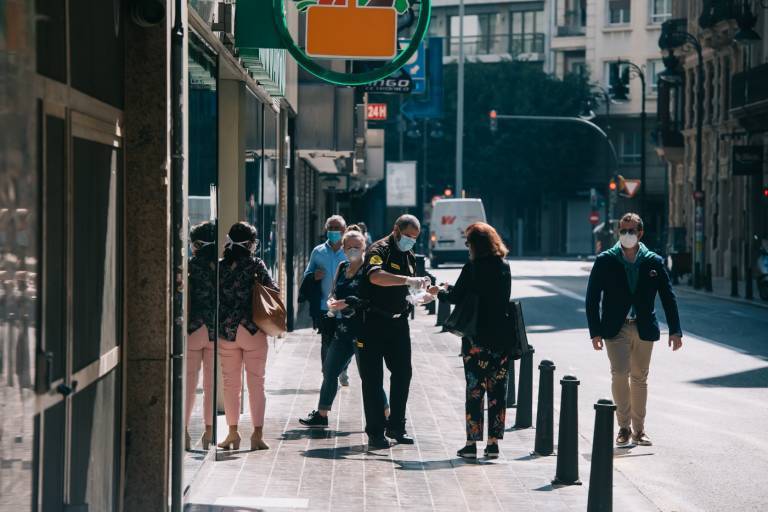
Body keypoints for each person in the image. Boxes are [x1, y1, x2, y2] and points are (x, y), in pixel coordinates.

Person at [586, 212, 683, 447]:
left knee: (639, 378)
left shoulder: (653, 261)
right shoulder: (605, 260)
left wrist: (675, 330)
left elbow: (668, 297)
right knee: (619, 373)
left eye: (631, 231)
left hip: (644, 328)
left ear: (640, 233)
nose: (626, 235)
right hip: (615, 328)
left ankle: (639, 430)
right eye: (623, 230)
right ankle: (623, 427)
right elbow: (592, 298)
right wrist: (595, 331)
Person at [430, 222, 512, 459]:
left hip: (476, 339)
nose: (467, 247)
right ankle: (493, 443)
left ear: (476, 245)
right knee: (498, 391)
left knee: (475, 391)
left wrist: (439, 291)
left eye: (468, 242)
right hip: (501, 339)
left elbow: (457, 297)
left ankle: (471, 443)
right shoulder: (504, 266)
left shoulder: (473, 267)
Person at [299, 226, 389, 427]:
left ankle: (387, 414)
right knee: (330, 370)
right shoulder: (342, 266)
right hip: (343, 330)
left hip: (364, 331)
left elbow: (369, 299)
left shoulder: (369, 270)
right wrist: (332, 300)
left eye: (357, 246)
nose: (353, 250)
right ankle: (322, 415)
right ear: (344, 247)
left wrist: (346, 303)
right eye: (349, 246)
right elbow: (333, 291)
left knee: (369, 376)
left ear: (364, 246)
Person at [358, 214, 430, 449]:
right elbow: (376, 277)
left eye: (415, 238)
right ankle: (376, 432)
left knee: (403, 374)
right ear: (396, 230)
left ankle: (396, 425)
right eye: (408, 235)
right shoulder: (379, 249)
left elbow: (407, 290)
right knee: (372, 379)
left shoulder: (408, 254)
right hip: (373, 322)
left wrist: (422, 295)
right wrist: (408, 280)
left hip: (399, 324)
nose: (411, 240)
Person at [217, 222, 278, 451]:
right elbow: (273, 291)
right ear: (250, 244)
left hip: (226, 332)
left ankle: (232, 433)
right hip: (252, 331)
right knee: (256, 384)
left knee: (231, 385)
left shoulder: (221, 267)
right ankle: (257, 435)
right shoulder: (256, 265)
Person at [303, 215, 350, 386]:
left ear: (344, 230)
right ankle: (328, 376)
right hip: (325, 307)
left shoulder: (349, 250)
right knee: (327, 342)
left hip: (346, 307)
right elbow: (306, 275)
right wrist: (313, 276)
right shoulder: (318, 251)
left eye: (337, 228)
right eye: (330, 228)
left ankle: (343, 368)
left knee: (346, 342)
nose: (333, 232)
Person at [185, 222, 217, 451]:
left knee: (188, 384)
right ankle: (209, 432)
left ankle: (184, 432)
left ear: (196, 244)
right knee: (210, 384)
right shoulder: (223, 266)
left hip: (193, 330)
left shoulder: (190, 266)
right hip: (216, 332)